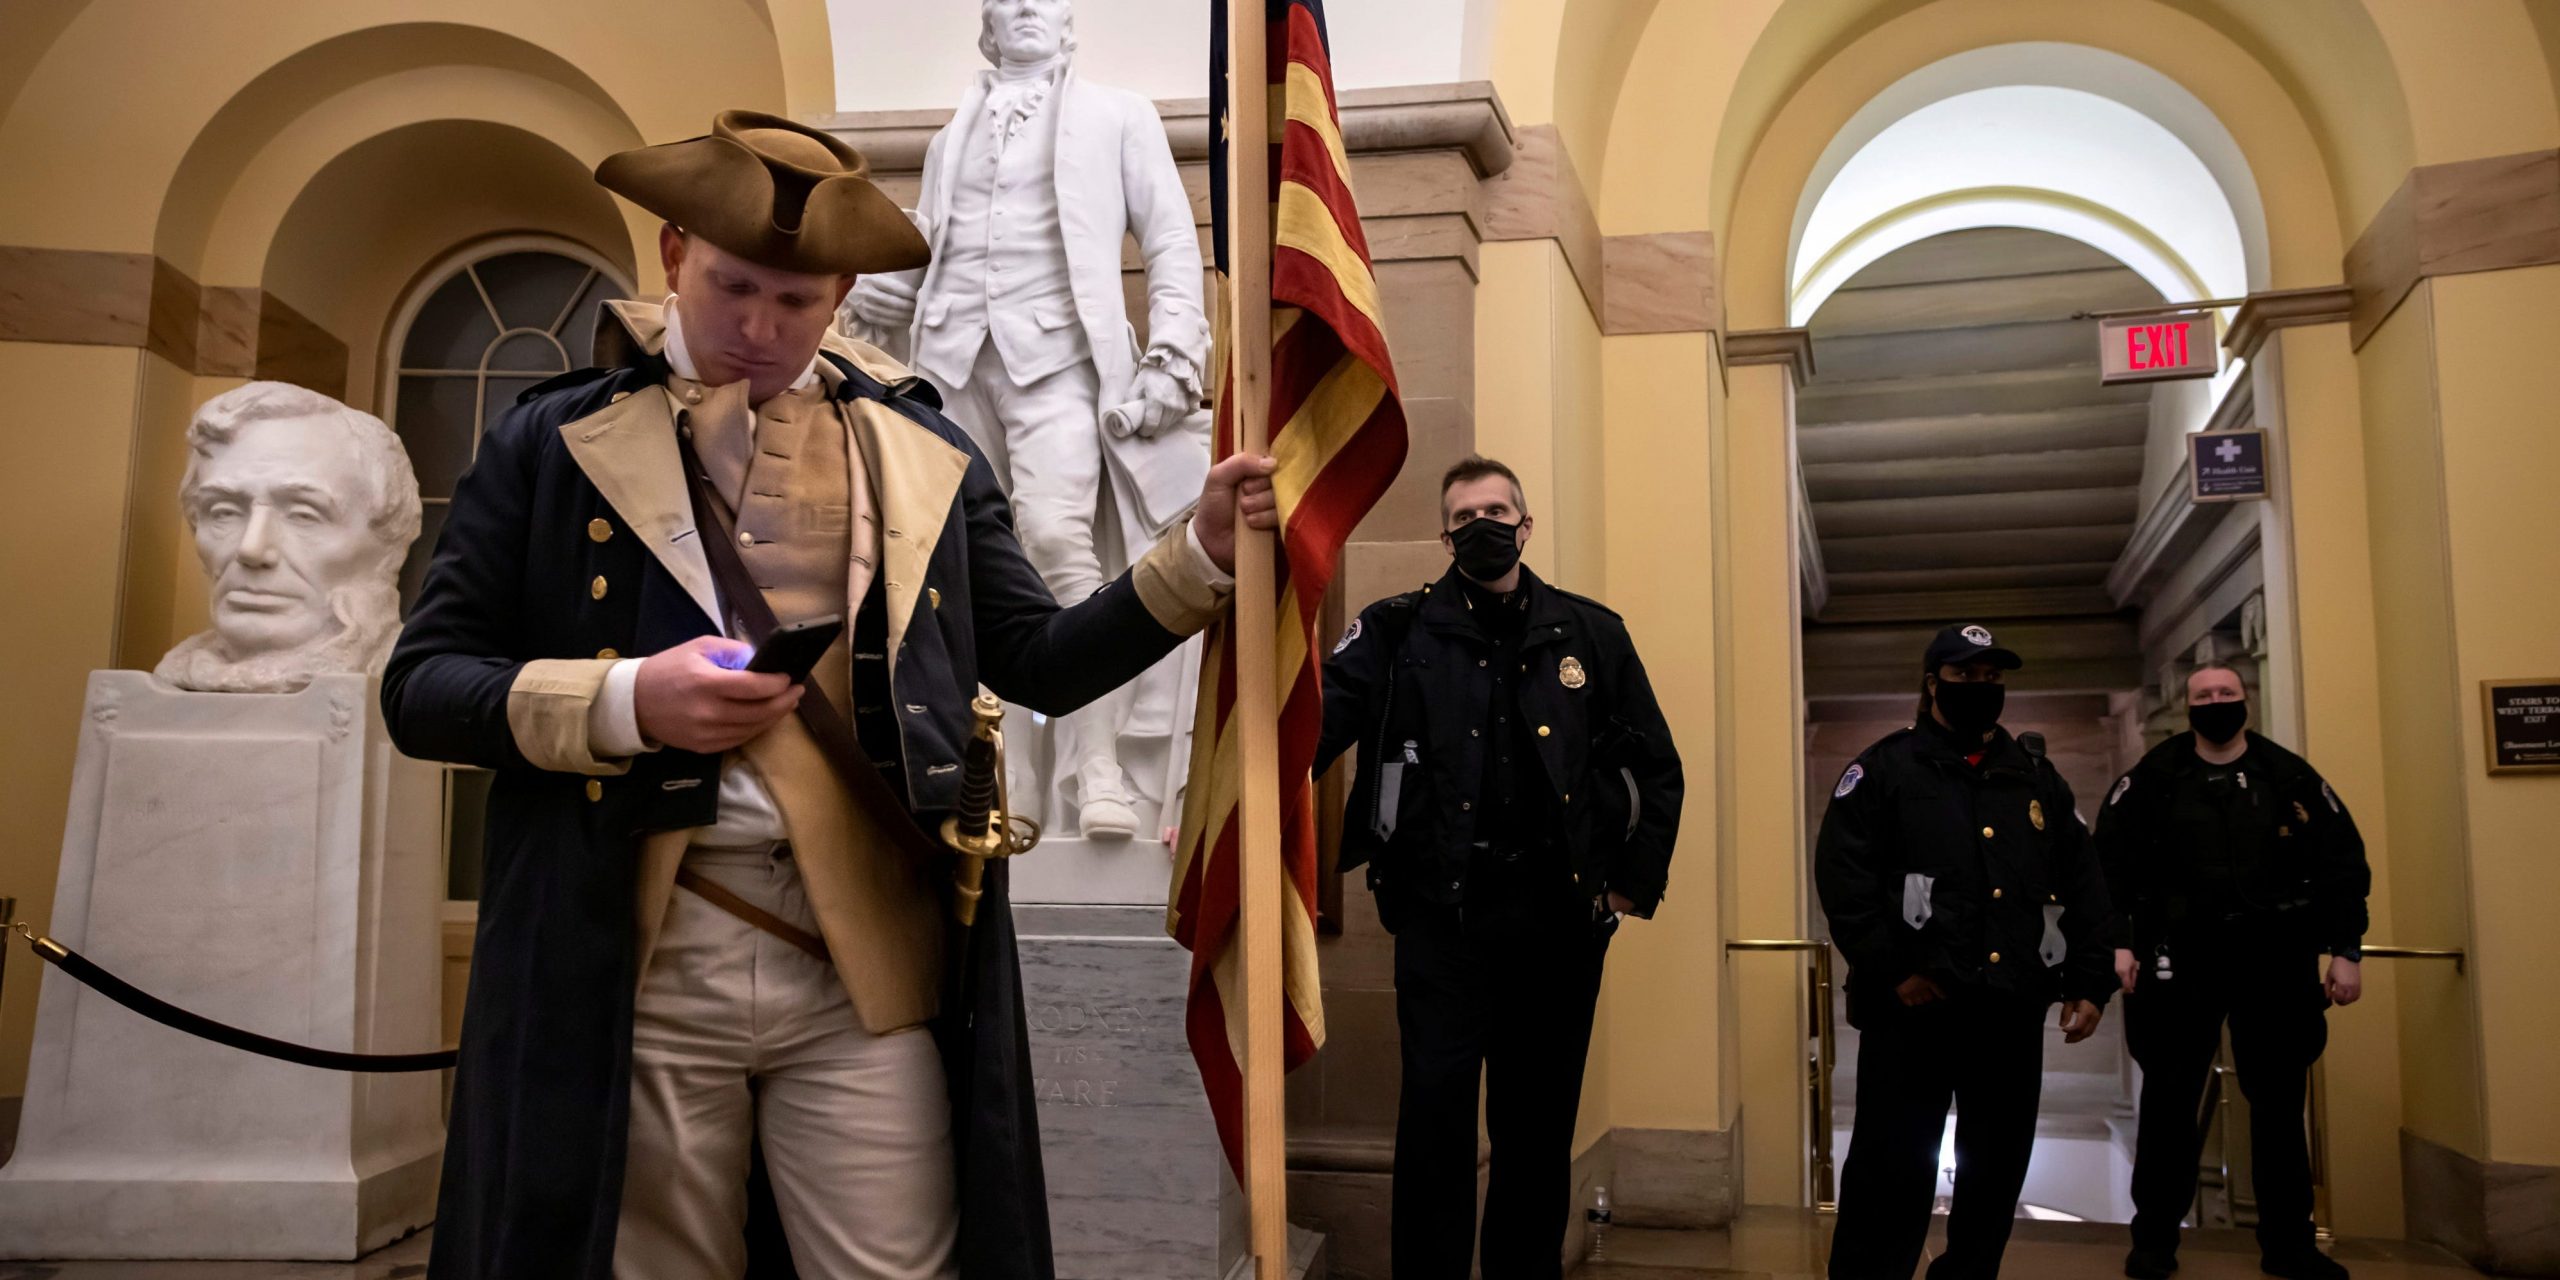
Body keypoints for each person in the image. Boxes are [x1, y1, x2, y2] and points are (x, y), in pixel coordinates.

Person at [383, 110, 1275, 1280]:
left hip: (860, 956)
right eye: (732, 288)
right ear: (671, 255)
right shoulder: (551, 441)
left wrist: (1197, 551)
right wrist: (627, 702)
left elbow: (1040, 656)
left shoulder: (923, 446)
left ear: (843, 290)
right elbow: (423, 686)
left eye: (796, 304)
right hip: (638, 957)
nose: (759, 329)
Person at [1315, 455, 1684, 1280]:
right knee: (1435, 1126)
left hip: (1558, 928)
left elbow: (1659, 768)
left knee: (1537, 1131)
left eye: (1497, 510)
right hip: (1442, 926)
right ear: (1447, 537)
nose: (1483, 524)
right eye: (1465, 516)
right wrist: (1219, 802)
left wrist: (1629, 886)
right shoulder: (1395, 630)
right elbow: (1309, 728)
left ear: (1525, 524)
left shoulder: (1593, 633)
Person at [845, 0, 1208, 838]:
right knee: (950, 567)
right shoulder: (949, 139)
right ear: (989, 22)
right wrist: (874, 288)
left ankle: (1097, 764)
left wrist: (1175, 354)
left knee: (1054, 540)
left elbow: (1170, 242)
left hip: (1059, 367)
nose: (1027, 9)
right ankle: (993, 767)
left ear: (1067, 16)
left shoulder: (1120, 116)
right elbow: (936, 251)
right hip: (951, 365)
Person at [1815, 624, 2117, 1280]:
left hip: (2006, 1013)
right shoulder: (1884, 770)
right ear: (1932, 685)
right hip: (1912, 1012)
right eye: (1964, 676)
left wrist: (2090, 980)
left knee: (1995, 1175)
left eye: (1990, 678)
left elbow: (2088, 882)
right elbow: (1845, 882)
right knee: (1889, 1173)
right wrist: (1894, 970)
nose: (1980, 688)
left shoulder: (2034, 779)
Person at [2098, 663, 2370, 1280]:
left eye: (2226, 694)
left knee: (2277, 1107)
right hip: (2178, 963)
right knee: (2168, 1104)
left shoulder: (2288, 776)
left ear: (2244, 700)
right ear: (2188, 706)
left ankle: (2289, 1246)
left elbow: (2342, 866)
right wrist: (2119, 944)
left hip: (2274, 961)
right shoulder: (2154, 778)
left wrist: (2346, 950)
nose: (2215, 702)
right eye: (2204, 696)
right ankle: (2155, 1241)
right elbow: (2111, 867)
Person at [158, 381, 422, 693]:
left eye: (303, 515)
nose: (251, 549)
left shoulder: (415, 688)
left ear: (387, 541)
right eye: (224, 512)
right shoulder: (169, 682)